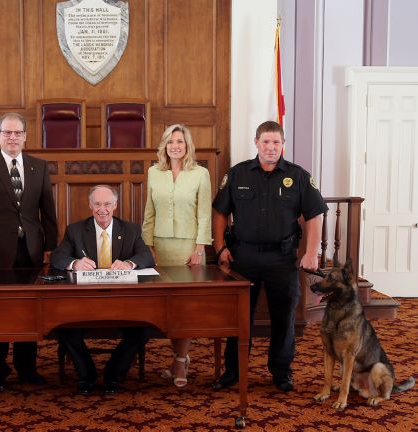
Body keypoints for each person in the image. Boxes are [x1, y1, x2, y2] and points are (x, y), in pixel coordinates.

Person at [212, 120, 327, 392]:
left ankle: (281, 372)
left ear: (283, 145)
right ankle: (234, 371)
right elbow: (220, 212)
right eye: (266, 142)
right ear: (256, 143)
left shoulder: (298, 176)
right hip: (243, 257)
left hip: (282, 258)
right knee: (238, 317)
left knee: (284, 317)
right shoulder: (238, 174)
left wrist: (312, 252)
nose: (271, 147)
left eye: (276, 142)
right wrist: (219, 247)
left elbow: (315, 214)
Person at [0, 112, 58, 393]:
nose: (12, 137)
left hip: (30, 251)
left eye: (17, 133)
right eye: (7, 133)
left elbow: (48, 212)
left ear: (26, 136)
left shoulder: (39, 167)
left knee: (29, 312)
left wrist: (50, 248)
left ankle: (27, 368)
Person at [50, 185, 155, 395]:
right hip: (84, 301)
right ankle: (87, 376)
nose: (102, 209)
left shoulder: (131, 230)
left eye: (107, 204)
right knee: (65, 328)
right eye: (97, 204)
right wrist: (75, 263)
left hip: (123, 300)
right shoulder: (76, 230)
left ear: (115, 205)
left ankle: (113, 375)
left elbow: (146, 256)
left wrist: (129, 264)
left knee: (142, 329)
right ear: (90, 206)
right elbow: (57, 257)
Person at [141, 124, 212, 387]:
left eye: (180, 141)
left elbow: (204, 212)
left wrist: (199, 248)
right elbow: (149, 211)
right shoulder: (154, 173)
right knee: (167, 308)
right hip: (160, 247)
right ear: (164, 145)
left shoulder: (200, 173)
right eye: (171, 142)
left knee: (184, 308)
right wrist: (147, 245)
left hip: (188, 249)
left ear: (187, 145)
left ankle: (181, 362)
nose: (175, 146)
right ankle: (177, 358)